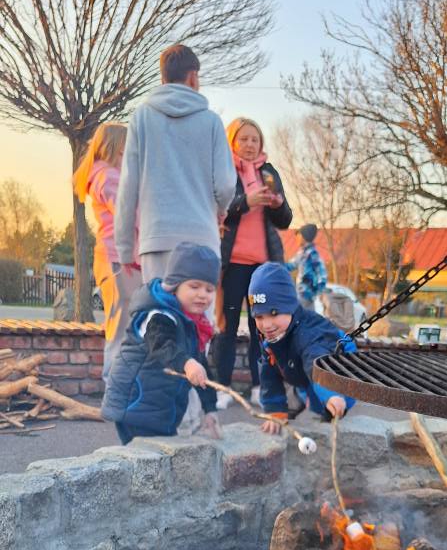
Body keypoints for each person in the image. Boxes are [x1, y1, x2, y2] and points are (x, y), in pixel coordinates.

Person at [114, 43, 236, 282]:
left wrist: (125, 248)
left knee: (159, 315)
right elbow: (225, 185)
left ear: (163, 78)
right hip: (202, 238)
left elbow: (128, 187)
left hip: (156, 239)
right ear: (192, 77)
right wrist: (221, 209)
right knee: (198, 315)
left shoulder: (142, 117)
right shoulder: (211, 122)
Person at [102, 243, 221, 445]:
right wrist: (187, 363)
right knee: (146, 461)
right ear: (175, 286)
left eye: (209, 289)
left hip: (161, 410)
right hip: (137, 406)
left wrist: (210, 409)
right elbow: (161, 345)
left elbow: (201, 370)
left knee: (159, 460)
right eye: (194, 286)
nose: (203, 294)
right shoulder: (159, 315)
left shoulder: (192, 323)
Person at [214, 117, 292, 409]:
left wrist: (278, 205)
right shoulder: (224, 171)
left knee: (263, 328)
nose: (249, 145)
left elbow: (285, 220)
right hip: (231, 263)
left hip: (264, 267)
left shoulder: (269, 172)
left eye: (254, 140)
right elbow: (220, 208)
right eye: (243, 139)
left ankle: (262, 387)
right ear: (232, 142)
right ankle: (223, 389)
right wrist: (246, 201)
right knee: (227, 328)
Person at [247, 262, 357, 432]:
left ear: (290, 306)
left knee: (328, 410)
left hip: (338, 368)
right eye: (259, 316)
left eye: (274, 313)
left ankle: (327, 405)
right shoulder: (269, 334)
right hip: (298, 370)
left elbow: (318, 363)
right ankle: (299, 399)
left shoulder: (309, 333)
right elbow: (268, 374)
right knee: (282, 375)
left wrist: (331, 395)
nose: (266, 324)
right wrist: (275, 412)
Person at [73, 122, 141, 380]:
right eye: (126, 152)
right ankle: (113, 384)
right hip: (117, 258)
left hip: (118, 257)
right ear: (113, 149)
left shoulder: (105, 175)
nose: (129, 158)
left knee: (124, 322)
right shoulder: (107, 177)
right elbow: (128, 214)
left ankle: (119, 384)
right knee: (121, 324)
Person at [286, 224, 327, 312]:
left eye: (299, 235)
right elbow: (291, 265)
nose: (296, 238)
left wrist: (317, 292)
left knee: (305, 319)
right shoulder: (302, 253)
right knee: (305, 319)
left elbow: (322, 275)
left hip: (306, 294)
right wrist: (277, 266)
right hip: (301, 293)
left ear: (304, 237)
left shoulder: (312, 254)